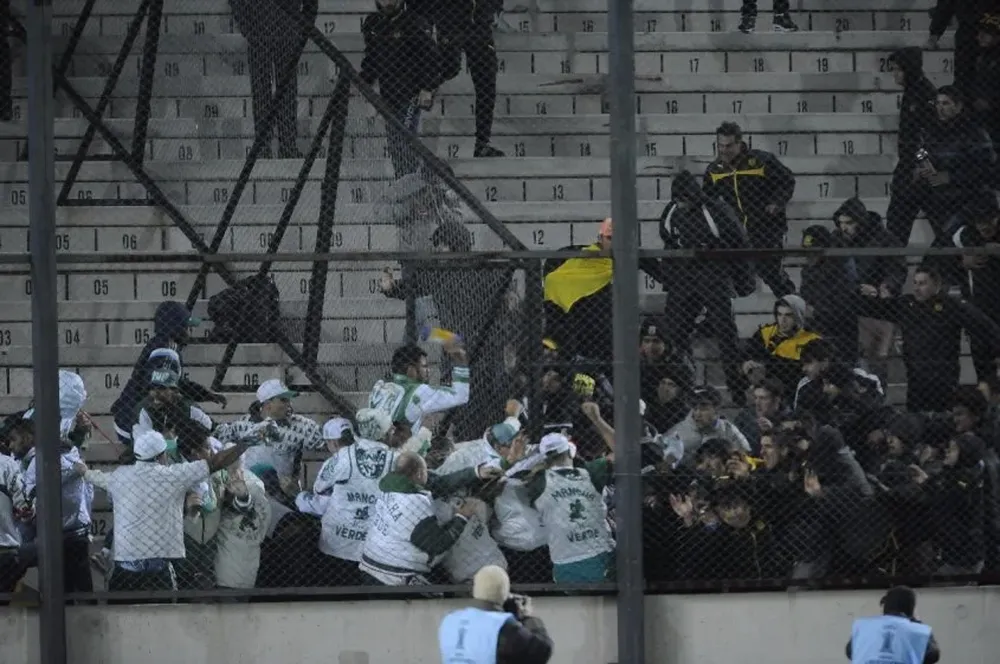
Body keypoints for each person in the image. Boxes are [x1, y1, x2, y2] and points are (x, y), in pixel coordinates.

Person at [81, 430, 252, 591]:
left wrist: (83, 470)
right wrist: (246, 442)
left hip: (124, 571)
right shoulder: (174, 475)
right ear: (162, 456)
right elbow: (216, 462)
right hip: (159, 571)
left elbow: (94, 476)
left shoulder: (119, 476)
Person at [656, 170, 754, 403]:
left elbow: (740, 244)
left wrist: (742, 282)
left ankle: (737, 389)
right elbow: (669, 243)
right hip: (685, 277)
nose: (681, 204)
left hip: (713, 274)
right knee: (675, 331)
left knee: (726, 333)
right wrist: (671, 280)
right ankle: (683, 384)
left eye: (685, 199)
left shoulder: (715, 211)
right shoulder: (671, 213)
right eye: (678, 200)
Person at [859, 266, 1000, 412]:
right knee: (916, 415)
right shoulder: (907, 305)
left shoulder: (951, 305)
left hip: (943, 377)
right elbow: (878, 307)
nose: (917, 288)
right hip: (915, 377)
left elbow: (983, 325)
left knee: (943, 416)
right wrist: (872, 295)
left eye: (922, 283)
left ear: (935, 285)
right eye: (914, 283)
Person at [703, 122, 797, 297]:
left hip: (766, 231)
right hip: (735, 235)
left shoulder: (762, 161)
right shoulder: (714, 170)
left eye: (729, 145)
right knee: (730, 281)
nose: (724, 150)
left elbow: (787, 181)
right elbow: (708, 202)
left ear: (740, 143)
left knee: (774, 277)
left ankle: (796, 312)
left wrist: (776, 204)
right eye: (720, 145)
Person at [111, 301, 223, 446]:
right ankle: (218, 431)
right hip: (134, 422)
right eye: (187, 327)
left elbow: (174, 383)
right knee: (182, 405)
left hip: (128, 417)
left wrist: (204, 393)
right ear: (176, 327)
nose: (189, 332)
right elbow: (159, 390)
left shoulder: (161, 343)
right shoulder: (167, 351)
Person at [358, 0, 445, 178]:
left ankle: (417, 185)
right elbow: (371, 61)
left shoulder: (414, 23)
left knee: (404, 142)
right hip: (388, 96)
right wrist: (363, 87)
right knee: (395, 146)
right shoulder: (374, 25)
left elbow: (433, 58)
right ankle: (406, 185)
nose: (387, 2)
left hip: (410, 95)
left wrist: (427, 88)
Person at [414, 0, 503, 157]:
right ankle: (420, 94)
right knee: (449, 68)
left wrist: (495, 8)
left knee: (487, 81)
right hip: (451, 19)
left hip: (480, 23)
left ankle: (482, 143)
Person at [228, 0, 317, 158]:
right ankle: (263, 148)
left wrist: (302, 30)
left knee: (287, 93)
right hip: (259, 30)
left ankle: (287, 146)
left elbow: (311, 4)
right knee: (262, 92)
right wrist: (248, 29)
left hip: (287, 31)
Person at [438, 565, 553, 664]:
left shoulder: (449, 620)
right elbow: (542, 651)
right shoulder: (502, 626)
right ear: (505, 593)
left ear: (474, 589)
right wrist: (526, 617)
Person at [884, 47, 938, 247]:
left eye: (898, 69)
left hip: (921, 167)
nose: (895, 74)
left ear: (910, 69)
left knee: (938, 220)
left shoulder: (924, 94)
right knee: (897, 225)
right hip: (912, 166)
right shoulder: (913, 91)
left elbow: (929, 136)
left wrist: (920, 161)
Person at [368, 342, 471, 444]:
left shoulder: (379, 387)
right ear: (411, 370)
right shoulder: (419, 392)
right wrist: (460, 363)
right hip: (399, 456)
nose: (428, 371)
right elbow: (460, 396)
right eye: (424, 366)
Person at [846, 586, 941, 664]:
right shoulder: (919, 631)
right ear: (911, 608)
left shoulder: (863, 627)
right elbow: (933, 656)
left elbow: (850, 652)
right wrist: (918, 622)